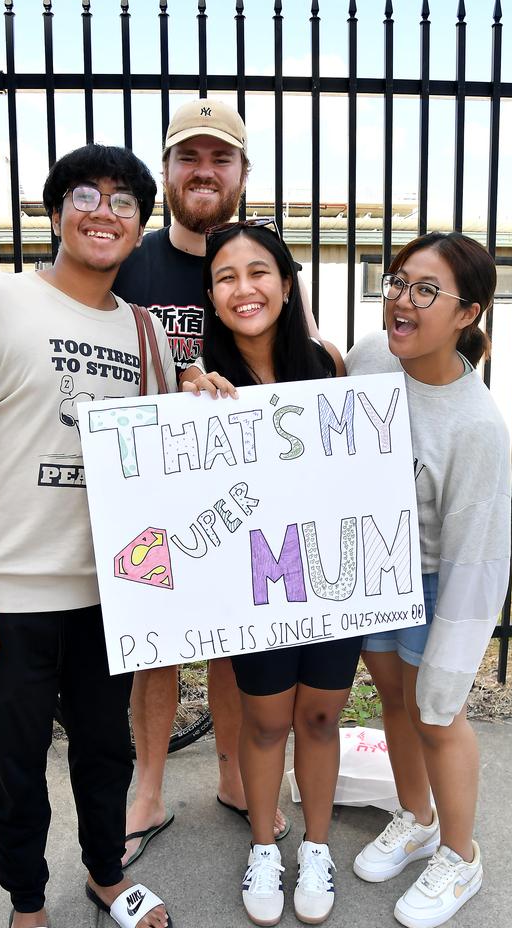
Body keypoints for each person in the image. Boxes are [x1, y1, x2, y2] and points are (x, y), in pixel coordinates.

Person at [0, 145, 177, 928]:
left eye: (125, 201)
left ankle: (105, 876)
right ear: (55, 211)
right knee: (17, 768)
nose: (106, 210)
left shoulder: (144, 330)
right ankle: (26, 904)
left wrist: (199, 390)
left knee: (107, 756)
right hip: (10, 598)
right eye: (87, 195)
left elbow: (164, 453)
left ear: (138, 231)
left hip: (109, 595)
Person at [113, 99, 318, 863]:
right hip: (153, 492)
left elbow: (294, 362)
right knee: (155, 652)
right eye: (188, 157)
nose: (204, 170)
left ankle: (236, 778)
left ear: (242, 173)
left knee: (239, 645)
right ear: (166, 171)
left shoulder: (261, 258)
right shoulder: (130, 258)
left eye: (220, 157)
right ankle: (150, 790)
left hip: (245, 493)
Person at [183, 219, 359, 927]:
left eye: (259, 272)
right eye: (226, 277)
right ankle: (263, 845)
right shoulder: (200, 382)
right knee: (263, 723)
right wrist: (194, 404)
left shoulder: (330, 363)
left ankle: (316, 846)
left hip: (329, 576)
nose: (244, 288)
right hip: (255, 584)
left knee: (320, 715)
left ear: (286, 286)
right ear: (213, 297)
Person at [345, 232, 511, 928]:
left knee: (436, 712)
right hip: (374, 567)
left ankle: (459, 852)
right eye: (397, 282)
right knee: (392, 699)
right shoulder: (368, 357)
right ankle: (414, 816)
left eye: (424, 290)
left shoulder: (476, 425)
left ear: (466, 312)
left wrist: (452, 656)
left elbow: (479, 553)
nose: (401, 303)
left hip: (439, 578)